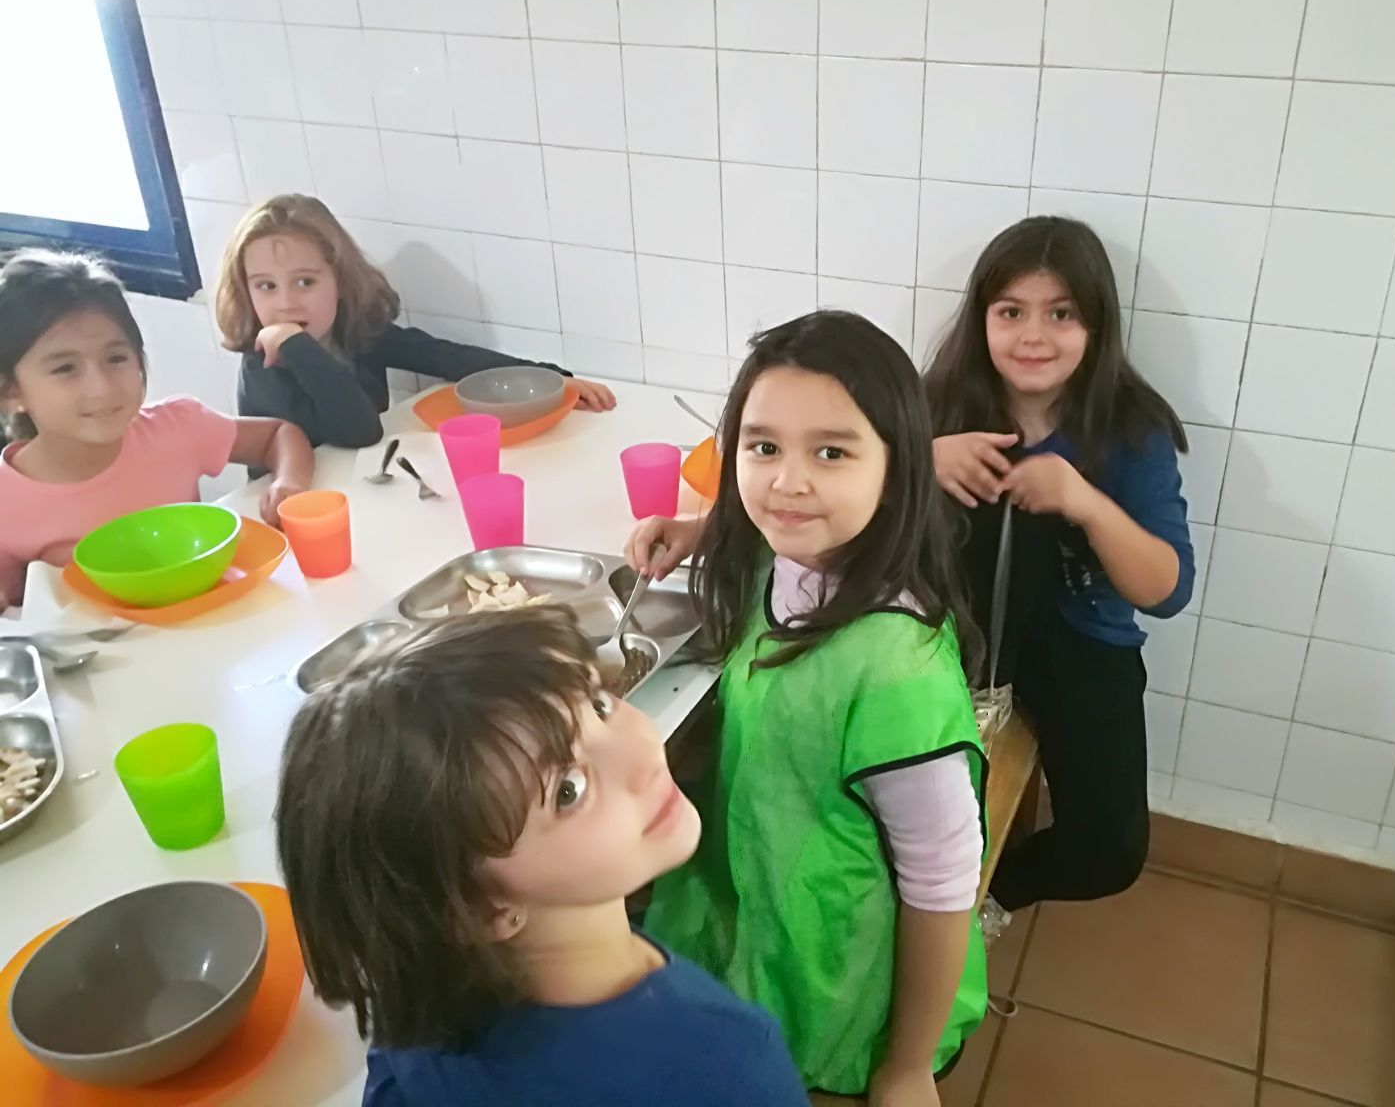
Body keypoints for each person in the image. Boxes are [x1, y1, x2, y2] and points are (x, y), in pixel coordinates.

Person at [627, 311, 988, 1104]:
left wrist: (907, 1067)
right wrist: (696, 528)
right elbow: (765, 515)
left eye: (831, 453)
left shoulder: (897, 669)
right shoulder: (787, 556)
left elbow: (942, 882)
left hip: (837, 965)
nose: (787, 482)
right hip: (757, 891)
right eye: (763, 448)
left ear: (897, 469)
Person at [275, 609, 809, 1107]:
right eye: (568, 790)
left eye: (599, 705)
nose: (643, 754)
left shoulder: (411, 1003)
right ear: (482, 907)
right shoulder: (732, 1064)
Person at [924, 215, 1194, 918]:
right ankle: (925, 899)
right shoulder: (938, 405)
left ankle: (990, 897)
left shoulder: (1130, 431)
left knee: (1110, 850)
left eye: (1061, 314)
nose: (1034, 336)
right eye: (1011, 312)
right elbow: (837, 482)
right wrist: (922, 458)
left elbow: (1167, 591)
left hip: (1083, 640)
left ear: (1095, 327)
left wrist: (1083, 501)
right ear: (982, 319)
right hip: (959, 634)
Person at [0, 249, 312, 610]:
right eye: (65, 368)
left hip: (210, 623)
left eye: (116, 358)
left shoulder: (177, 427)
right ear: (11, 391)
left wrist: (289, 481)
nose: (101, 387)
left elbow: (277, 435)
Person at [215, 195, 615, 449]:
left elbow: (444, 356)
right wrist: (295, 345)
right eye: (266, 286)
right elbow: (357, 431)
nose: (285, 303)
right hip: (292, 525)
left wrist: (550, 379)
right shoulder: (262, 366)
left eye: (305, 282)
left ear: (340, 280)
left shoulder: (356, 333)